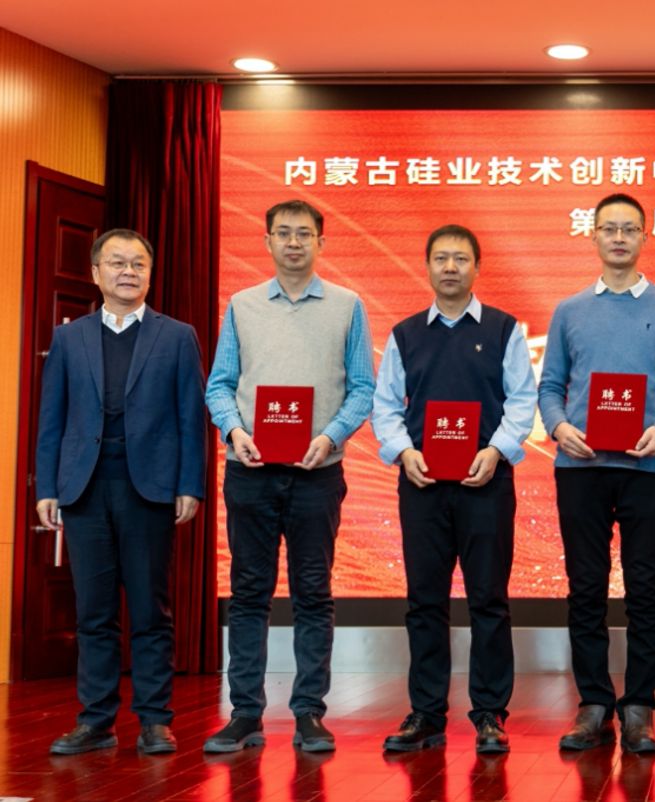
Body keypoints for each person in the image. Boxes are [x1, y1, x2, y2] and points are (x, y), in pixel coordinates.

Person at [203, 199, 375, 753]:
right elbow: (219, 384)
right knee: (249, 594)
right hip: (250, 471)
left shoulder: (347, 305)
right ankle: (245, 714)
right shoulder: (242, 305)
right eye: (283, 233)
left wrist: (331, 436)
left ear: (322, 242)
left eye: (304, 233)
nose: (294, 242)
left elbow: (363, 388)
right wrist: (234, 431)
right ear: (268, 241)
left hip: (317, 473)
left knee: (313, 595)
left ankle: (309, 713)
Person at [36, 229, 207, 755]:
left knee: (151, 611)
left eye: (138, 264)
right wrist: (48, 485)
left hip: (149, 488)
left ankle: (155, 720)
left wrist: (189, 484)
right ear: (95, 273)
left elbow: (191, 418)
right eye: (117, 263)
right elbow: (51, 418)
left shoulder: (177, 336)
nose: (128, 272)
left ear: (150, 275)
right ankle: (96, 721)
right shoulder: (70, 338)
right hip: (84, 487)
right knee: (94, 612)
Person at [371, 224, 537, 754]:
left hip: (486, 482)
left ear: (476, 268)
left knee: (489, 599)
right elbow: (385, 406)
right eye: (440, 258)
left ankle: (490, 713)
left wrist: (497, 450)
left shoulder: (504, 329)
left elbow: (522, 400)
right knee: (424, 600)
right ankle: (426, 712)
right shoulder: (404, 334)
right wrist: (404, 452)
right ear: (426, 267)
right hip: (422, 483)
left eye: (460, 259)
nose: (450, 267)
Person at [538, 193, 655, 753]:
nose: (620, 237)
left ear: (645, 236)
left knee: (646, 588)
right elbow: (550, 386)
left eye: (630, 228)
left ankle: (639, 706)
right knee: (585, 587)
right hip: (580, 467)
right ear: (594, 236)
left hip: (648, 467)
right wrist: (559, 427)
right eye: (610, 228)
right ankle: (594, 703)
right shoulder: (569, 310)